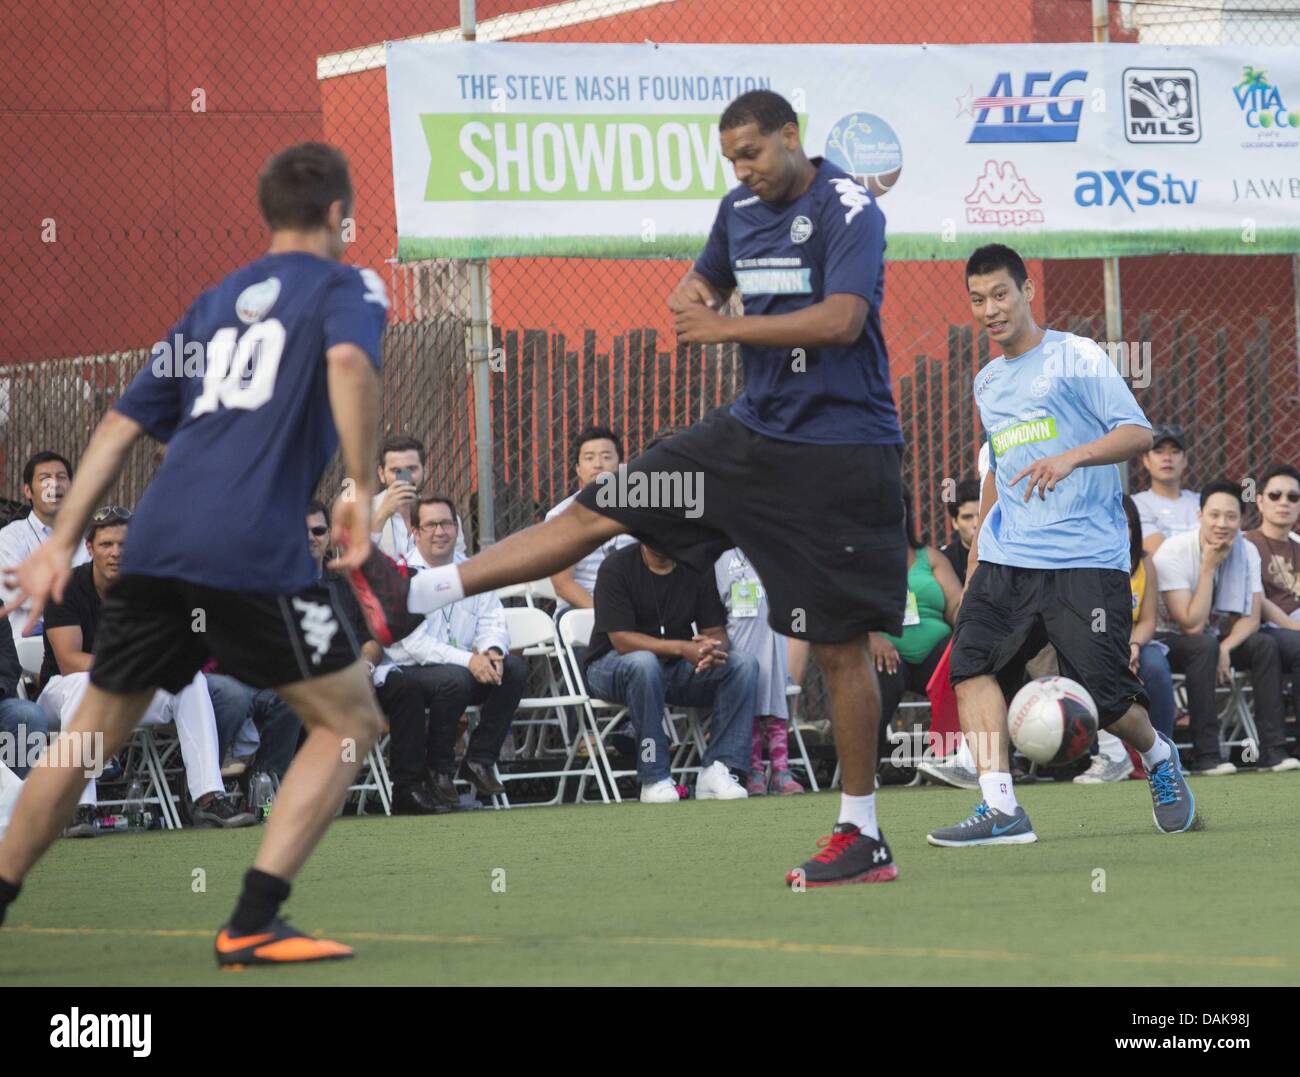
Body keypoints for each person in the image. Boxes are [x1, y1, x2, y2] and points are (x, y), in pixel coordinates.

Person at [353, 90, 909, 887]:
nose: (743, 171)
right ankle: (421, 590)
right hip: (747, 439)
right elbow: (700, 286)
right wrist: (696, 299)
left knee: (839, 645)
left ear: (793, 137)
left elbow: (843, 321)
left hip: (839, 453)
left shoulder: (848, 206)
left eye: (753, 153)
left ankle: (862, 834)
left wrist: (726, 327)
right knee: (602, 504)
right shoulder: (737, 210)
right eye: (732, 160)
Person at [0, 142, 389, 968]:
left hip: (158, 540)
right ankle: (252, 918)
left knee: (87, 737)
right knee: (351, 720)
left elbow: (118, 426)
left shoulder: (213, 302)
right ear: (336, 217)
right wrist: (357, 484)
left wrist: (61, 543)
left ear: (267, 215)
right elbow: (351, 361)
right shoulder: (347, 286)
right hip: (250, 551)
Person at [927, 243, 1194, 849]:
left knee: (1105, 697)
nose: (991, 309)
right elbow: (997, 467)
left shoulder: (1076, 356)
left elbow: (1136, 433)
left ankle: (1157, 757)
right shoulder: (987, 381)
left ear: (1027, 291)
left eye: (1000, 294)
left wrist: (1072, 456)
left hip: (1084, 557)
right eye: (978, 300)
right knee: (970, 666)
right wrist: (976, 556)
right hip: (1008, 556)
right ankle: (1001, 807)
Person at [38, 505, 253, 834]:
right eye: (107, 544)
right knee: (86, 682)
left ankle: (209, 797)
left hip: (131, 687)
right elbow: (70, 659)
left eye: (124, 545)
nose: (115, 553)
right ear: (90, 547)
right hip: (65, 692)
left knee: (189, 681)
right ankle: (81, 808)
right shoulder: (66, 587)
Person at [584, 542, 756, 802]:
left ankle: (719, 768)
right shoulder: (617, 567)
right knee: (644, 663)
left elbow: (714, 630)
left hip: (673, 667)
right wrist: (680, 647)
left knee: (742, 665)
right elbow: (622, 641)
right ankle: (654, 777)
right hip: (611, 666)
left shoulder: (695, 564)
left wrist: (711, 648)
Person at [386, 496, 526, 804]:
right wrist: (470, 660)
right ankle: (439, 769)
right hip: (412, 671)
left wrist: (491, 651)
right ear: (415, 532)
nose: (440, 532)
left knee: (513, 670)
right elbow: (415, 645)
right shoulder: (401, 576)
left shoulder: (473, 570)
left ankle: (479, 759)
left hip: (462, 668)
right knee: (455, 679)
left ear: (457, 527)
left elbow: (492, 618)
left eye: (446, 523)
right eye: (431, 525)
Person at [1154, 480, 1298, 774]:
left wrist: (1227, 647)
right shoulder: (1173, 552)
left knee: (1263, 644)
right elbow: (1191, 625)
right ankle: (1207, 756)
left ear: (1242, 520)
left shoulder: (1246, 551)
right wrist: (1208, 568)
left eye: (1231, 517)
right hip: (1168, 639)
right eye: (1214, 515)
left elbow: (1252, 617)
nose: (1222, 524)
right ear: (1200, 516)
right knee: (1203, 646)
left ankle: (1273, 750)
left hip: (1215, 640)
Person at [1075, 495, 1176, 783]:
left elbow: (1147, 621)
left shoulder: (1144, 563)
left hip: (1137, 640)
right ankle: (1107, 755)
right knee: (1096, 668)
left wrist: (1134, 645)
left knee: (1156, 667)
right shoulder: (1087, 564)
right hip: (1102, 640)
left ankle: (1163, 750)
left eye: (1127, 524)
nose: (1121, 530)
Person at [871, 491, 962, 768]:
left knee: (963, 663)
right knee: (875, 678)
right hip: (884, 650)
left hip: (935, 649)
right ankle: (866, 770)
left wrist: (969, 625)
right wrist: (870, 636)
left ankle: (952, 758)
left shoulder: (930, 557)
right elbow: (845, 608)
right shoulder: (859, 561)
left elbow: (956, 605)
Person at [714, 547, 799, 795]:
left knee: (775, 699)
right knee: (748, 697)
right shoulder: (721, 555)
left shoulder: (772, 543)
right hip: (739, 636)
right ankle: (753, 770)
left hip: (774, 635)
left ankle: (781, 770)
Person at [0, 451, 91, 639]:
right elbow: (19, 593)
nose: (54, 484)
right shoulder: (9, 537)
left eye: (61, 477)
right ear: (28, 491)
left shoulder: (82, 542)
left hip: (78, 637)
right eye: (45, 478)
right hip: (27, 643)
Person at [546, 426, 636, 616]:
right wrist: (608, 616)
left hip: (633, 609)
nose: (598, 464)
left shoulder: (640, 511)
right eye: (589, 458)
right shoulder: (561, 516)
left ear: (621, 464)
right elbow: (563, 584)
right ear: (578, 469)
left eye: (606, 457)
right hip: (582, 612)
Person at [1244, 462, 1300, 748]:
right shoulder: (1246, 544)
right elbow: (1258, 600)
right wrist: (1294, 626)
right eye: (1276, 495)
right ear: (1260, 500)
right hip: (1267, 627)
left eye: (1293, 497)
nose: (1285, 503)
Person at [1132, 426, 1199, 556]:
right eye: (1158, 451)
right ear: (1146, 460)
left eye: (1174, 452)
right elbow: (1160, 554)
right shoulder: (1137, 504)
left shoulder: (1201, 501)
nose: (1167, 458)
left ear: (1184, 460)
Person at [939, 478, 982, 585]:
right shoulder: (944, 559)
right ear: (955, 522)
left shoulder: (1005, 556)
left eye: (981, 515)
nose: (976, 524)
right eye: (967, 517)